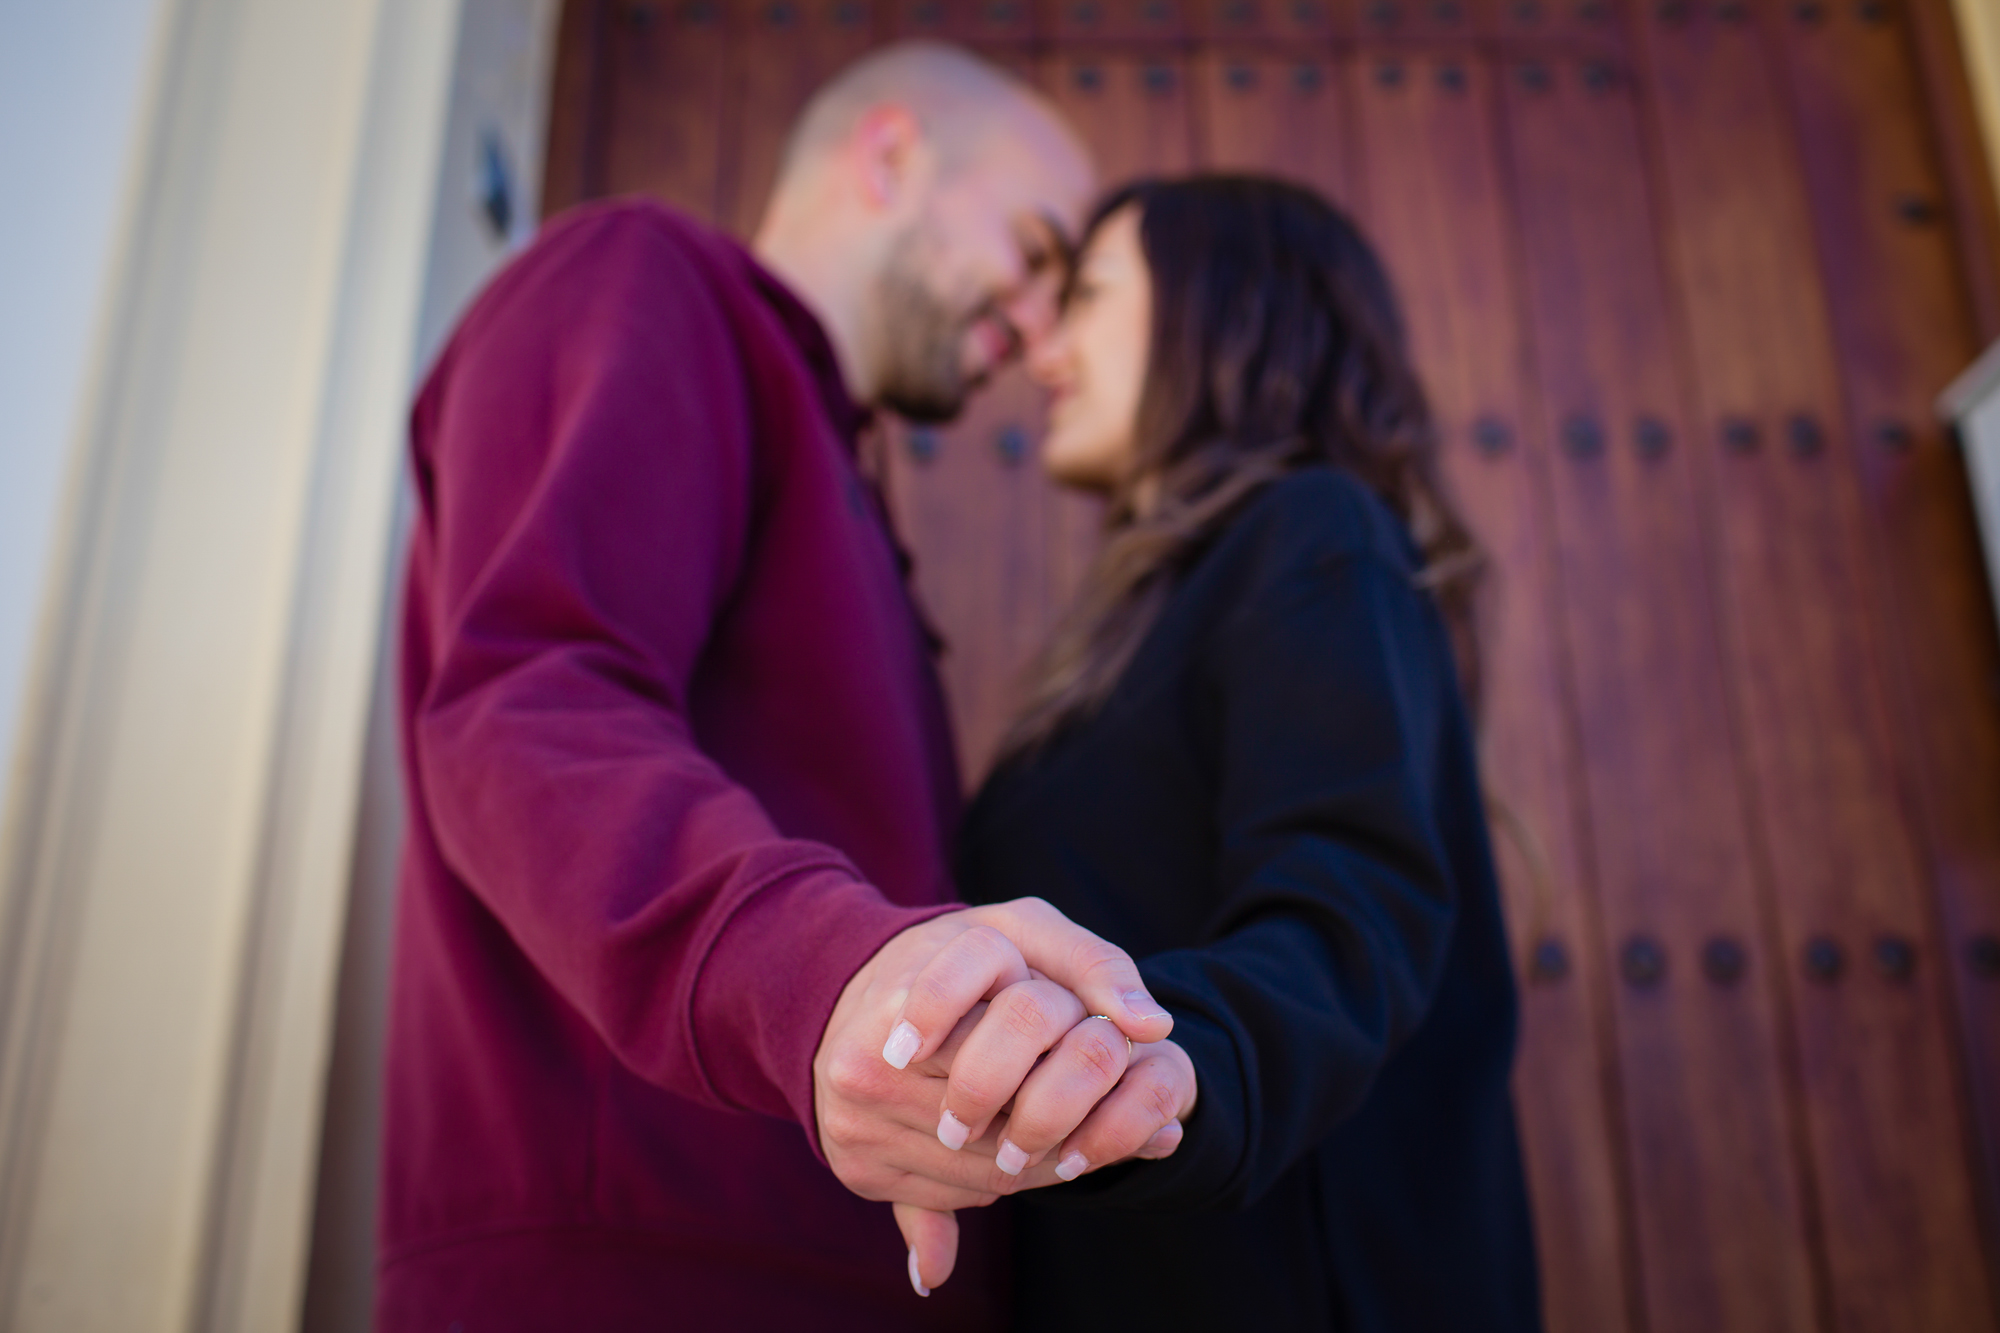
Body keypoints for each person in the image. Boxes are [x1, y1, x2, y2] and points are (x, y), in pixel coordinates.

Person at [379, 43, 1187, 1331]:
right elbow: (526, 704)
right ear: (888, 154)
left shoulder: (837, 471)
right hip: (637, 1281)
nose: (1038, 329)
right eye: (1034, 252)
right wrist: (825, 984)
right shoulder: (637, 281)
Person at [949, 177, 1544, 1329]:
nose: (1043, 349)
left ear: (1221, 310)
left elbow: (1348, 902)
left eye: (1085, 298)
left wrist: (1158, 1068)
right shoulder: (1158, 613)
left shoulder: (1312, 531)